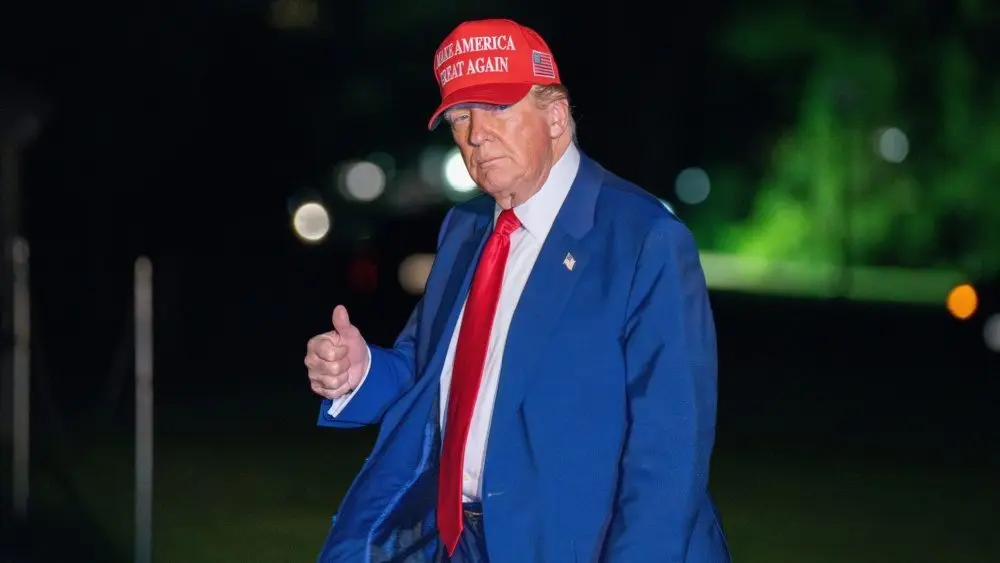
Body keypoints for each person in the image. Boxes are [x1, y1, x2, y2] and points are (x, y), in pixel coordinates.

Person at [304, 18, 731, 563]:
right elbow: (430, 372)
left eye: (497, 108)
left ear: (555, 117)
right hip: (458, 540)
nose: (475, 134)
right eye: (460, 117)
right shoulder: (466, 228)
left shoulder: (644, 239)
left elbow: (670, 450)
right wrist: (359, 372)